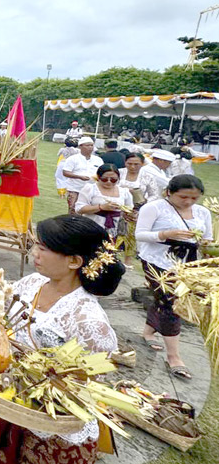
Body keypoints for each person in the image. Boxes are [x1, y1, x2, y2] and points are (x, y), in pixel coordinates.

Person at [0, 215, 123, 464]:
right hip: (13, 402)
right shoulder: (35, 283)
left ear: (74, 261)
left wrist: (49, 380)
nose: (34, 253)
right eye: (35, 245)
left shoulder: (88, 321)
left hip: (52, 428)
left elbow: (91, 382)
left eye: (43, 247)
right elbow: (0, 304)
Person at [136, 174, 212, 381]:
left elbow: (207, 239)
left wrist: (208, 249)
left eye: (194, 198)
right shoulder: (154, 208)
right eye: (183, 197)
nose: (188, 202)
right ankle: (174, 356)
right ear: (169, 192)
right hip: (157, 260)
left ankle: (148, 332)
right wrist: (165, 234)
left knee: (163, 300)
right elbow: (140, 234)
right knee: (172, 304)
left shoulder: (202, 212)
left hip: (187, 263)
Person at [118, 152, 160, 265]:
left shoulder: (148, 176)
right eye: (129, 163)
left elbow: (154, 195)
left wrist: (145, 203)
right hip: (117, 208)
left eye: (136, 164)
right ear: (125, 163)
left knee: (131, 235)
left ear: (142, 164)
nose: (132, 167)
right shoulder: (118, 173)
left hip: (137, 210)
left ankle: (128, 261)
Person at [75, 164, 133, 241]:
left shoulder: (124, 192)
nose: (109, 182)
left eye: (113, 180)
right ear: (98, 177)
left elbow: (129, 209)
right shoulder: (90, 188)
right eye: (104, 179)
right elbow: (79, 209)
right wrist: (101, 207)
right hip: (92, 227)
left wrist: (128, 214)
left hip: (115, 229)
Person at [61, 137, 103, 214]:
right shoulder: (73, 159)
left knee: (90, 211)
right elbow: (65, 172)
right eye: (87, 145)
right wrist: (79, 177)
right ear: (80, 146)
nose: (90, 147)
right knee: (73, 210)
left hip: (92, 190)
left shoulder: (98, 160)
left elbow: (102, 173)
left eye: (91, 145)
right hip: (75, 189)